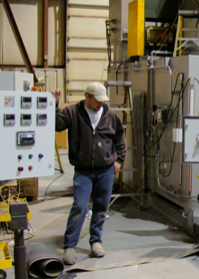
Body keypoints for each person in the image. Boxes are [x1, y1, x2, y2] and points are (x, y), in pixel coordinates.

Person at [51, 82, 126, 265]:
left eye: (102, 101)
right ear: (88, 97)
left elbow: (119, 138)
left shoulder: (110, 115)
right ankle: (70, 246)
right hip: (83, 171)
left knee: (101, 208)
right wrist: (54, 104)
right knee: (80, 207)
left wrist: (119, 160)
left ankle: (96, 242)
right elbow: (58, 125)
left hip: (105, 170)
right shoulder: (73, 112)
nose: (100, 104)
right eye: (97, 101)